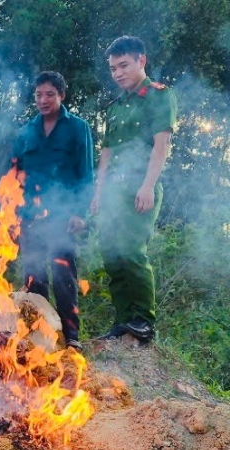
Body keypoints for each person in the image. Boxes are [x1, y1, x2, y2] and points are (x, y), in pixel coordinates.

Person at [92, 36, 177, 342]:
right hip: (112, 193)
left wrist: (148, 186)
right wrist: (98, 194)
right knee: (111, 255)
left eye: (123, 65)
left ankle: (143, 320)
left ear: (142, 61)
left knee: (131, 252)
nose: (117, 73)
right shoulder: (115, 107)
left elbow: (161, 144)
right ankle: (123, 320)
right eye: (113, 68)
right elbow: (106, 153)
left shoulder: (158, 96)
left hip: (140, 188)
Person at [12, 71, 94, 351]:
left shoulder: (78, 127)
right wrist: (11, 213)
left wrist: (80, 212)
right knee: (33, 276)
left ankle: (71, 337)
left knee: (63, 275)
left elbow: (86, 173)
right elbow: (13, 175)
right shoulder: (25, 132)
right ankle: (39, 335)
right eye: (38, 95)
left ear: (62, 95)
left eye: (49, 94)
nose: (43, 100)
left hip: (62, 214)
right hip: (29, 215)